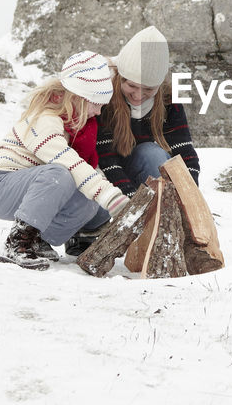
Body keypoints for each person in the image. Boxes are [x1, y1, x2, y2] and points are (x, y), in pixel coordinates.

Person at [0, 50, 128, 270]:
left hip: (37, 187)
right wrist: (109, 196)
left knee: (88, 198)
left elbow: (87, 173)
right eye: (96, 103)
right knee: (61, 175)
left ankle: (39, 239)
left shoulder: (78, 126)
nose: (99, 111)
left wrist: (113, 200)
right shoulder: (45, 120)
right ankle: (18, 242)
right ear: (78, 97)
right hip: (0, 184)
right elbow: (69, 163)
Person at [64, 26, 201, 256]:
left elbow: (183, 150)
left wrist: (191, 197)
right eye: (131, 86)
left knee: (153, 154)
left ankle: (160, 229)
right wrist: (127, 204)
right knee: (95, 179)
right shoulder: (103, 92)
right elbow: (105, 156)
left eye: (148, 89)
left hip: (136, 168)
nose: (138, 95)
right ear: (120, 77)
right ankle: (88, 228)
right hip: (101, 172)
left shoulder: (168, 97)